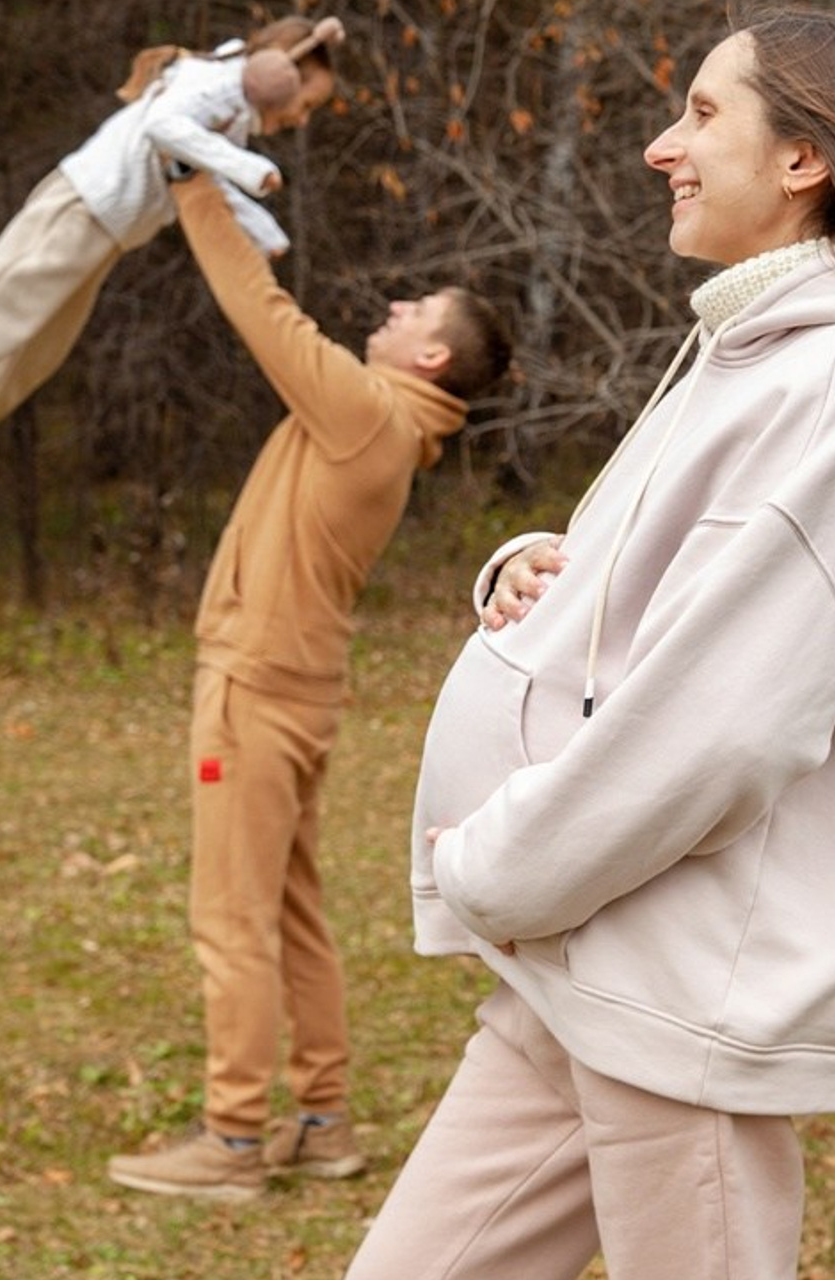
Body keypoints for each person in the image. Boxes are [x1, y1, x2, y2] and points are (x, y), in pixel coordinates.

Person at [345, 6, 835, 1278]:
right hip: (581, 973)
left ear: (802, 159)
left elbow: (722, 719)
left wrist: (500, 869)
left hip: (673, 994)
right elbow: (678, 611)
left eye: (698, 114)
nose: (658, 147)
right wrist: (533, 567)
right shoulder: (746, 348)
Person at [106, 169, 511, 1203]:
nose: (395, 307)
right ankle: (323, 1122)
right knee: (288, 910)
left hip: (254, 689)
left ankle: (233, 1138)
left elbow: (260, 310)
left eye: (416, 311)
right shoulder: (385, 423)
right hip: (299, 688)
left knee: (230, 917)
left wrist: (191, 182)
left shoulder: (367, 413)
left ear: (431, 357)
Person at [0, 13, 345, 524]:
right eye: (306, 103)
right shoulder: (212, 83)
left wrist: (266, 233)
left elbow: (206, 175)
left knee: (37, 348)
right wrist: (249, 170)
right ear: (282, 73)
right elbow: (164, 126)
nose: (302, 119)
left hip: (105, 233)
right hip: (77, 209)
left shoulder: (233, 113)